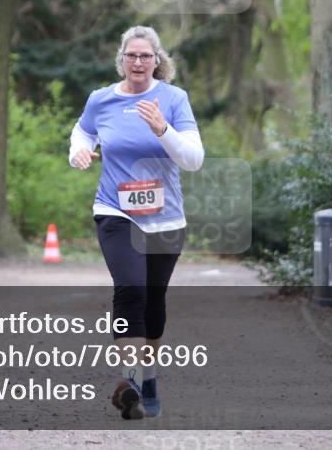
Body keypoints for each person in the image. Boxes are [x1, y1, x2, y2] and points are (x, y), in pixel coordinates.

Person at [69, 25, 204, 419]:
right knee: (131, 289)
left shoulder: (174, 99)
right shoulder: (102, 100)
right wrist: (79, 151)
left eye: (146, 56)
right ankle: (129, 380)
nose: (139, 62)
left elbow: (193, 159)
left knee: (155, 302)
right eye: (132, 55)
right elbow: (82, 131)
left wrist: (162, 128)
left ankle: (147, 377)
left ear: (157, 61)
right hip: (116, 210)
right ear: (122, 60)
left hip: (165, 219)